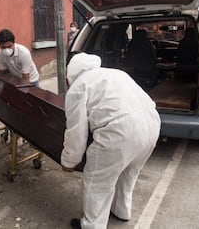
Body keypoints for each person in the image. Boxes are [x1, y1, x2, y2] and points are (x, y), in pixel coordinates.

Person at [61, 52, 161, 229]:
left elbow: (76, 131)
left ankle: (92, 225)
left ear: (69, 72)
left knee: (97, 181)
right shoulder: (115, 73)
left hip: (119, 132)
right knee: (128, 172)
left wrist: (69, 161)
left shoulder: (78, 87)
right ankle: (121, 211)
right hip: (151, 123)